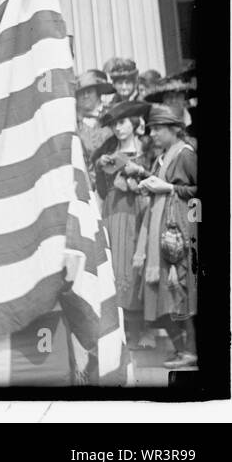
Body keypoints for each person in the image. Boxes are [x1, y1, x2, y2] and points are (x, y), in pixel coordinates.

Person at [134, 103, 198, 370]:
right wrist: (148, 182)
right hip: (159, 233)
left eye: (159, 129)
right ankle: (181, 348)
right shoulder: (162, 158)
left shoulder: (184, 154)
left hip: (177, 233)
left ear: (174, 129)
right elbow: (165, 189)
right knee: (159, 296)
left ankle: (190, 351)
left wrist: (168, 187)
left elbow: (196, 191)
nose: (154, 134)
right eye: (151, 129)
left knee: (178, 292)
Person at [90, 99, 153, 348]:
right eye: (114, 124)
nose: (118, 128)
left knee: (136, 267)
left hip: (138, 214)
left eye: (123, 122)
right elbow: (102, 189)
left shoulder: (146, 153)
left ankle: (142, 329)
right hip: (113, 213)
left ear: (134, 123)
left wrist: (133, 177)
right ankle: (120, 330)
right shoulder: (107, 154)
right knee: (115, 267)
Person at [75, 69, 115, 166]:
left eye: (89, 91)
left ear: (98, 93)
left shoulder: (113, 114)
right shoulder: (73, 123)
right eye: (81, 93)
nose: (85, 96)